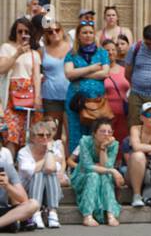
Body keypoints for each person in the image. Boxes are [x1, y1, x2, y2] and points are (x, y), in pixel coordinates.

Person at [63, 21, 111, 152]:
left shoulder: (102, 53)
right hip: (76, 101)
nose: (87, 35)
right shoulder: (72, 53)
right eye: (84, 32)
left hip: (96, 101)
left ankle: (94, 166)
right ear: (78, 35)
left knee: (96, 134)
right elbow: (68, 74)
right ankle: (76, 167)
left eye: (90, 32)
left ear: (94, 35)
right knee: (76, 134)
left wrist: (80, 73)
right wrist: (91, 68)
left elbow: (105, 73)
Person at [69, 117, 122, 227]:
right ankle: (87, 216)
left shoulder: (114, 144)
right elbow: (87, 166)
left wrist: (103, 148)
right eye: (102, 131)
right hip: (82, 175)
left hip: (102, 174)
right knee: (93, 175)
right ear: (94, 133)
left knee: (104, 176)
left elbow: (106, 165)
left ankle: (110, 214)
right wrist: (112, 171)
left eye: (109, 131)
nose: (106, 134)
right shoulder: (85, 141)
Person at [1, 18, 42, 153]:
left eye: (26, 31)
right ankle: (9, 169)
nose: (23, 34)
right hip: (11, 97)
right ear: (15, 32)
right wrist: (17, 53)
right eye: (20, 31)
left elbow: (36, 77)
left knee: (28, 134)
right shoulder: (7, 48)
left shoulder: (34, 54)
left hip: (28, 96)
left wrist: (37, 97)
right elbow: (2, 69)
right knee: (11, 134)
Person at [17, 119, 65, 228]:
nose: (45, 138)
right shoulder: (24, 152)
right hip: (27, 191)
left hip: (50, 191)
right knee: (38, 173)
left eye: (48, 135)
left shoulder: (53, 150)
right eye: (41, 135)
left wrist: (49, 152)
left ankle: (53, 212)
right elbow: (32, 170)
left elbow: (50, 168)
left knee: (49, 172)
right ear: (33, 138)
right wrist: (48, 157)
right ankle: (35, 212)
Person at [39, 20, 71, 147]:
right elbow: (37, 70)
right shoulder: (42, 51)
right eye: (50, 31)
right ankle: (54, 163)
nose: (54, 33)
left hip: (71, 94)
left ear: (62, 31)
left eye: (56, 30)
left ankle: (70, 163)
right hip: (50, 96)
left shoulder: (71, 48)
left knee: (71, 132)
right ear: (46, 34)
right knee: (53, 133)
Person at [0, 147, 41, 232]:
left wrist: (7, 186)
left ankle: (5, 224)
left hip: (3, 210)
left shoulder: (6, 167)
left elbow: (23, 199)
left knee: (33, 204)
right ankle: (9, 224)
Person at [102, 37, 130, 145]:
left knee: (122, 140)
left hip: (124, 113)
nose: (110, 52)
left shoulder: (125, 70)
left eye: (113, 49)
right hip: (106, 114)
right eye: (107, 50)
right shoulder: (99, 71)